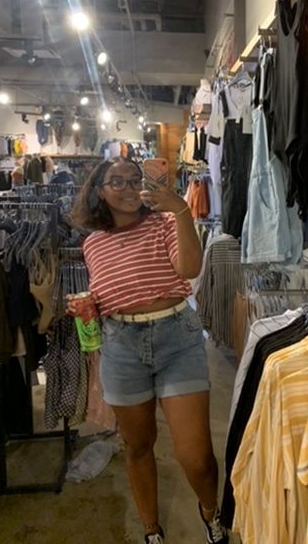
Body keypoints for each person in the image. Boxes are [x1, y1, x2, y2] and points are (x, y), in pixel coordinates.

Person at [70, 157, 228, 544]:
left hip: (177, 340)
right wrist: (88, 306)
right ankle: (151, 529)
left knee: (195, 455)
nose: (128, 188)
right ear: (100, 191)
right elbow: (109, 292)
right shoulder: (92, 243)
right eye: (117, 181)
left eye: (134, 179)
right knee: (138, 446)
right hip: (121, 345)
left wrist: (182, 211)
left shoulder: (165, 224)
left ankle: (211, 512)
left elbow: (189, 269)